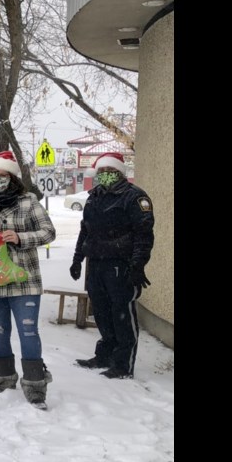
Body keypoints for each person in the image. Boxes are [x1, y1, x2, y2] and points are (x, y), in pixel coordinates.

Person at [0, 151, 57, 407]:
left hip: (24, 281)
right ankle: (4, 379)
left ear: (12, 178)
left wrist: (20, 238)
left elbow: (49, 233)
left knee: (28, 332)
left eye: (3, 176)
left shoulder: (28, 202)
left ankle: (35, 385)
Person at [70, 152, 155, 379]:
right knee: (101, 312)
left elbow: (143, 235)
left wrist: (138, 265)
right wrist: (77, 259)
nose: (105, 176)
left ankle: (123, 365)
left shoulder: (134, 197)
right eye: (102, 172)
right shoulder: (94, 197)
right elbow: (85, 230)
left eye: (110, 172)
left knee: (122, 314)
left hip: (121, 265)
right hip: (96, 264)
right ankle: (105, 355)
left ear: (120, 173)